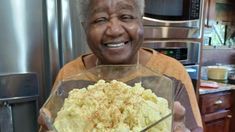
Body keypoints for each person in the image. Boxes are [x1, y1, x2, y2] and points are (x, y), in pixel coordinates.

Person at [38, 0, 203, 131]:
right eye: (100, 19)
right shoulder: (68, 75)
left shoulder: (171, 73)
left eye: (126, 17)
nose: (114, 30)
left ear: (141, 20)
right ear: (85, 27)